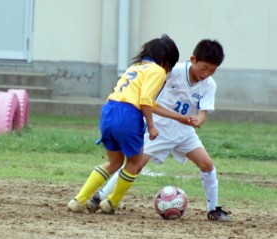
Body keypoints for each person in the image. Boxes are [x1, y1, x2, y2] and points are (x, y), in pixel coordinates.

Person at [87, 39, 231, 222]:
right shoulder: (172, 72)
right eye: (204, 68)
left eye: (213, 70)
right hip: (159, 129)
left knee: (207, 165)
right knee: (134, 165)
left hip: (185, 133)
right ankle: (100, 197)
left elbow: (204, 111)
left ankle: (213, 209)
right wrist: (171, 118)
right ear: (193, 59)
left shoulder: (210, 84)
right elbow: (150, 102)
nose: (207, 74)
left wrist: (199, 119)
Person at [67, 34, 189, 213]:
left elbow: (150, 103)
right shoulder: (158, 70)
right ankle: (111, 203)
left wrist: (177, 117)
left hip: (109, 110)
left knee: (114, 162)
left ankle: (78, 200)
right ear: (166, 60)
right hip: (128, 115)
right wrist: (152, 126)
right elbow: (146, 100)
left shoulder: (136, 67)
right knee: (135, 162)